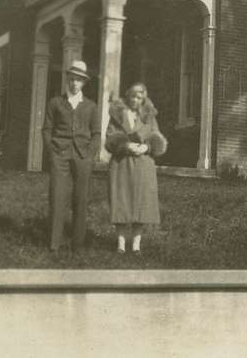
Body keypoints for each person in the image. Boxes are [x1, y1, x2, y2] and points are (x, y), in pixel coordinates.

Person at [42, 59, 100, 251]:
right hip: (60, 154)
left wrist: (89, 154)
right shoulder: (56, 102)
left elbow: (97, 134)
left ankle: (78, 243)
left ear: (84, 82)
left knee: (80, 198)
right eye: (72, 79)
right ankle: (53, 243)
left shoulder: (91, 106)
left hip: (82, 156)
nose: (75, 83)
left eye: (79, 80)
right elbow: (47, 130)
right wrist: (52, 152)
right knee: (57, 197)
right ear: (67, 79)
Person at [106, 83, 167, 253]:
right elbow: (110, 137)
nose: (135, 100)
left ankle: (136, 245)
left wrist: (147, 147)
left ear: (143, 99)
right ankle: (120, 244)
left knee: (141, 203)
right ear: (128, 96)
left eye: (139, 97)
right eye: (132, 96)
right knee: (122, 202)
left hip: (143, 163)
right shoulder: (118, 115)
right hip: (122, 163)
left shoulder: (149, 117)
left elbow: (157, 137)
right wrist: (125, 145)